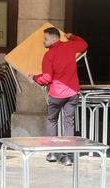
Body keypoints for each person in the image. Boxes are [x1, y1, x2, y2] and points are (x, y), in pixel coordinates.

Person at [28, 27, 88, 166]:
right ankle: (68, 156)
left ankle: (53, 152)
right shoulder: (70, 46)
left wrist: (34, 78)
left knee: (52, 121)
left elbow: (47, 78)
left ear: (54, 38)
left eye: (46, 39)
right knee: (69, 123)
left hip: (56, 94)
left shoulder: (49, 55)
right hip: (72, 93)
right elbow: (84, 45)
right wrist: (72, 36)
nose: (44, 41)